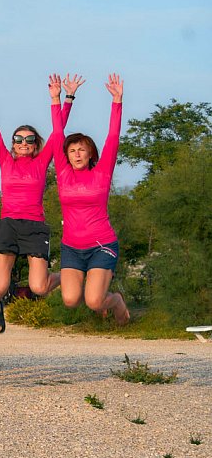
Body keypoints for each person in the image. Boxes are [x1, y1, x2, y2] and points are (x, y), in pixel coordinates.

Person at [0, 73, 79, 333]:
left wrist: (62, 98)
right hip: (9, 225)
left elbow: (58, 133)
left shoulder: (41, 162)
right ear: (12, 144)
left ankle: (69, 275)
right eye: (18, 139)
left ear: (36, 145)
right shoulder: (5, 160)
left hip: (34, 225)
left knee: (39, 287)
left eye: (29, 139)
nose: (23, 143)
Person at [54, 74, 130, 324]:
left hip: (101, 245)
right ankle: (98, 295)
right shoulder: (63, 174)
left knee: (95, 301)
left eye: (82, 150)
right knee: (70, 300)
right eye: (72, 150)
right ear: (67, 155)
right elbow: (57, 134)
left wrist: (117, 100)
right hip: (72, 247)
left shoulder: (102, 172)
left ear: (90, 154)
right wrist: (57, 99)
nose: (76, 154)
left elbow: (113, 137)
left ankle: (116, 301)